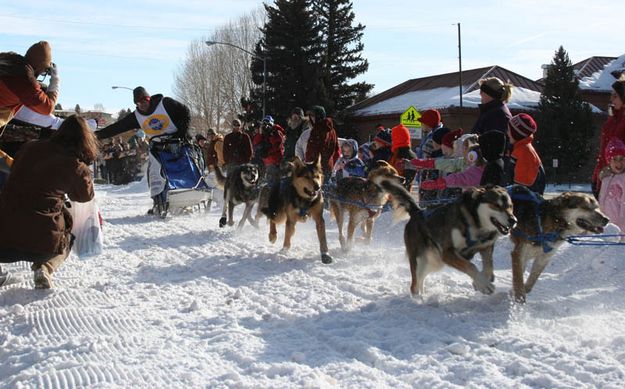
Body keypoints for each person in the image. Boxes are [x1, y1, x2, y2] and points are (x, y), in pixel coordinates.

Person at [0, 115, 97, 289]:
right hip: (42, 246)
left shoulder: (29, 148)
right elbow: (84, 197)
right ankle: (45, 267)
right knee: (69, 231)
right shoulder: (75, 166)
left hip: (3, 241)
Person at [0, 41, 59, 131]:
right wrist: (55, 81)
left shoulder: (9, 59)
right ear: (39, 68)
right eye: (43, 72)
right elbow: (48, 108)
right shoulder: (26, 83)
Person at [96, 86, 190, 141]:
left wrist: (182, 133)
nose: (142, 104)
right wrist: (93, 136)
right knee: (155, 173)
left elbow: (185, 112)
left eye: (145, 100)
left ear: (149, 99)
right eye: (139, 102)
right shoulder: (136, 117)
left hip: (178, 140)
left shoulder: (165, 103)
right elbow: (116, 128)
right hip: (158, 148)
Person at [592, 77, 625, 197]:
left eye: (615, 96)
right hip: (605, 177)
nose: (611, 99)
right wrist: (597, 176)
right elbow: (603, 152)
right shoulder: (612, 120)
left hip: (619, 179)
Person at [506, 113, 545, 194]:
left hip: (526, 204)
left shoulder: (524, 153)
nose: (507, 133)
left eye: (509, 130)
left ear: (517, 134)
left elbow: (521, 190)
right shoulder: (519, 149)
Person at [305, 106, 340, 180]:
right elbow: (337, 150)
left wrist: (308, 161)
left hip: (316, 167)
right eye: (310, 116)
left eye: (313, 115)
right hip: (328, 166)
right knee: (325, 189)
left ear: (319, 116)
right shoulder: (332, 130)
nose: (311, 118)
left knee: (317, 189)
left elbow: (313, 149)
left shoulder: (318, 129)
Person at [598, 137, 625, 235]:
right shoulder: (606, 179)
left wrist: (622, 231)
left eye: (622, 159)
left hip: (620, 231)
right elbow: (601, 202)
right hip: (606, 227)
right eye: (615, 159)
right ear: (609, 161)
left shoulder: (624, 179)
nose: (619, 163)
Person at [253, 115, 285, 184]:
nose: (266, 126)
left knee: (274, 182)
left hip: (276, 161)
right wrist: (260, 133)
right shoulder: (262, 133)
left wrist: (271, 134)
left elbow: (278, 144)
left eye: (268, 124)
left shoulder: (276, 131)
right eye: (264, 124)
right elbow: (255, 143)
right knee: (268, 182)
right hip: (267, 162)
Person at [389, 123, 417, 189]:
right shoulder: (409, 155)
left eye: (393, 138)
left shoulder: (401, 157)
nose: (392, 141)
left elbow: (407, 181)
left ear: (397, 139)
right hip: (397, 193)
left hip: (398, 194)